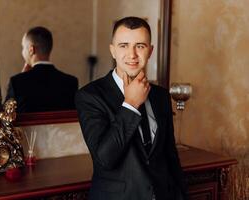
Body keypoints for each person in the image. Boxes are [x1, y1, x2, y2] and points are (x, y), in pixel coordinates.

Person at [75, 17, 188, 200]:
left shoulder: (160, 96)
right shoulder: (90, 96)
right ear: (113, 50)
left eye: (140, 46)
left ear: (150, 51)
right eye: (124, 45)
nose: (132, 54)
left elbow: (170, 156)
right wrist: (131, 105)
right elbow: (105, 159)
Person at [5, 26, 78, 113]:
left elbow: (6, 119)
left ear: (31, 50)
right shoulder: (71, 82)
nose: (22, 52)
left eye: (23, 47)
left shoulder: (17, 82)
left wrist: (22, 77)